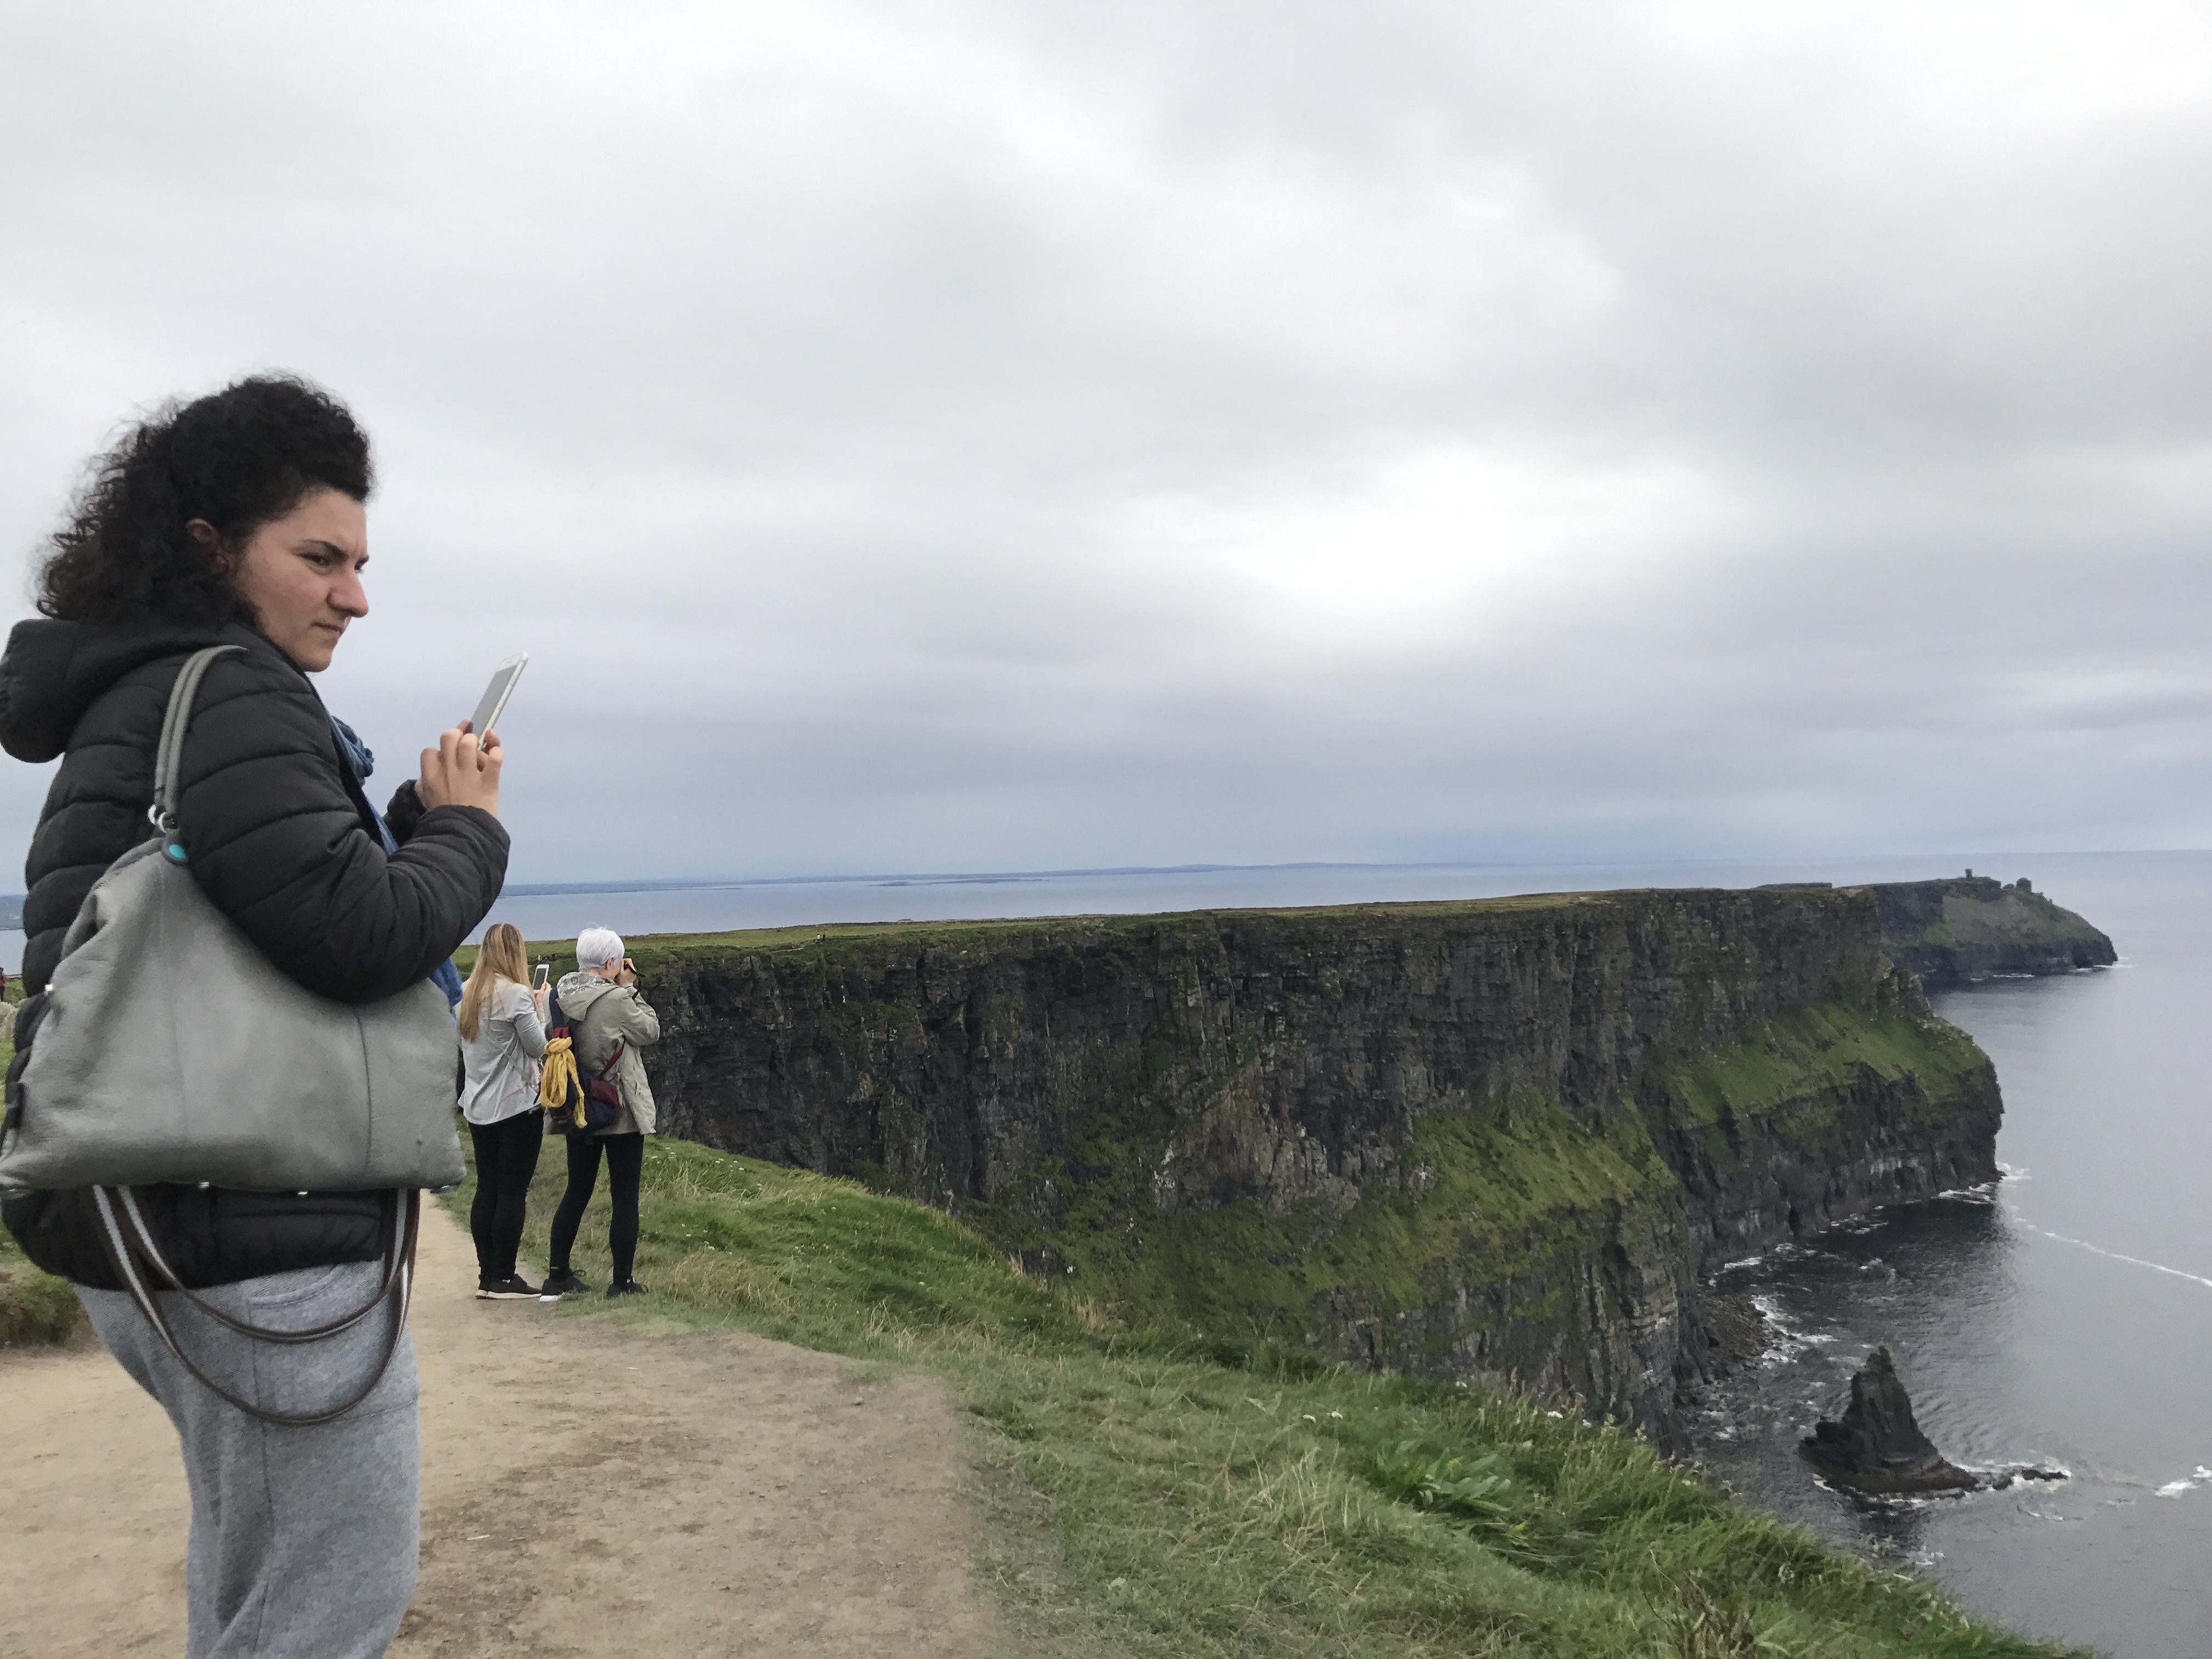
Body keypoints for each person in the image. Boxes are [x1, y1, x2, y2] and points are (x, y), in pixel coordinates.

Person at [0, 375, 508, 1658]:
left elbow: (284, 899)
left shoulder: (149, 694)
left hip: (164, 1210)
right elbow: (358, 939)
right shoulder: (235, 688)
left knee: (256, 1586)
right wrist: (468, 834)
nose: (355, 595)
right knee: (325, 1611)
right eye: (320, 559)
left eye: (361, 563)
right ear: (211, 549)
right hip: (259, 1234)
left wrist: (409, 828)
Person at [540, 927, 661, 1300]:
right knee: (625, 1196)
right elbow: (650, 1032)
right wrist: (630, 987)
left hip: (578, 1105)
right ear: (611, 962)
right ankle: (622, 1282)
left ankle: (557, 1275)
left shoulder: (557, 997)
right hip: (618, 1108)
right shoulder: (618, 999)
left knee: (577, 1190)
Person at [455, 922, 549, 1299]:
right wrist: (540, 1008)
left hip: (478, 1105)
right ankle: (505, 1277)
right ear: (515, 953)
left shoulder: (464, 993)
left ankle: (487, 1275)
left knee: (487, 1188)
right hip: (516, 1105)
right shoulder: (517, 995)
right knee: (512, 1192)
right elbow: (538, 1047)